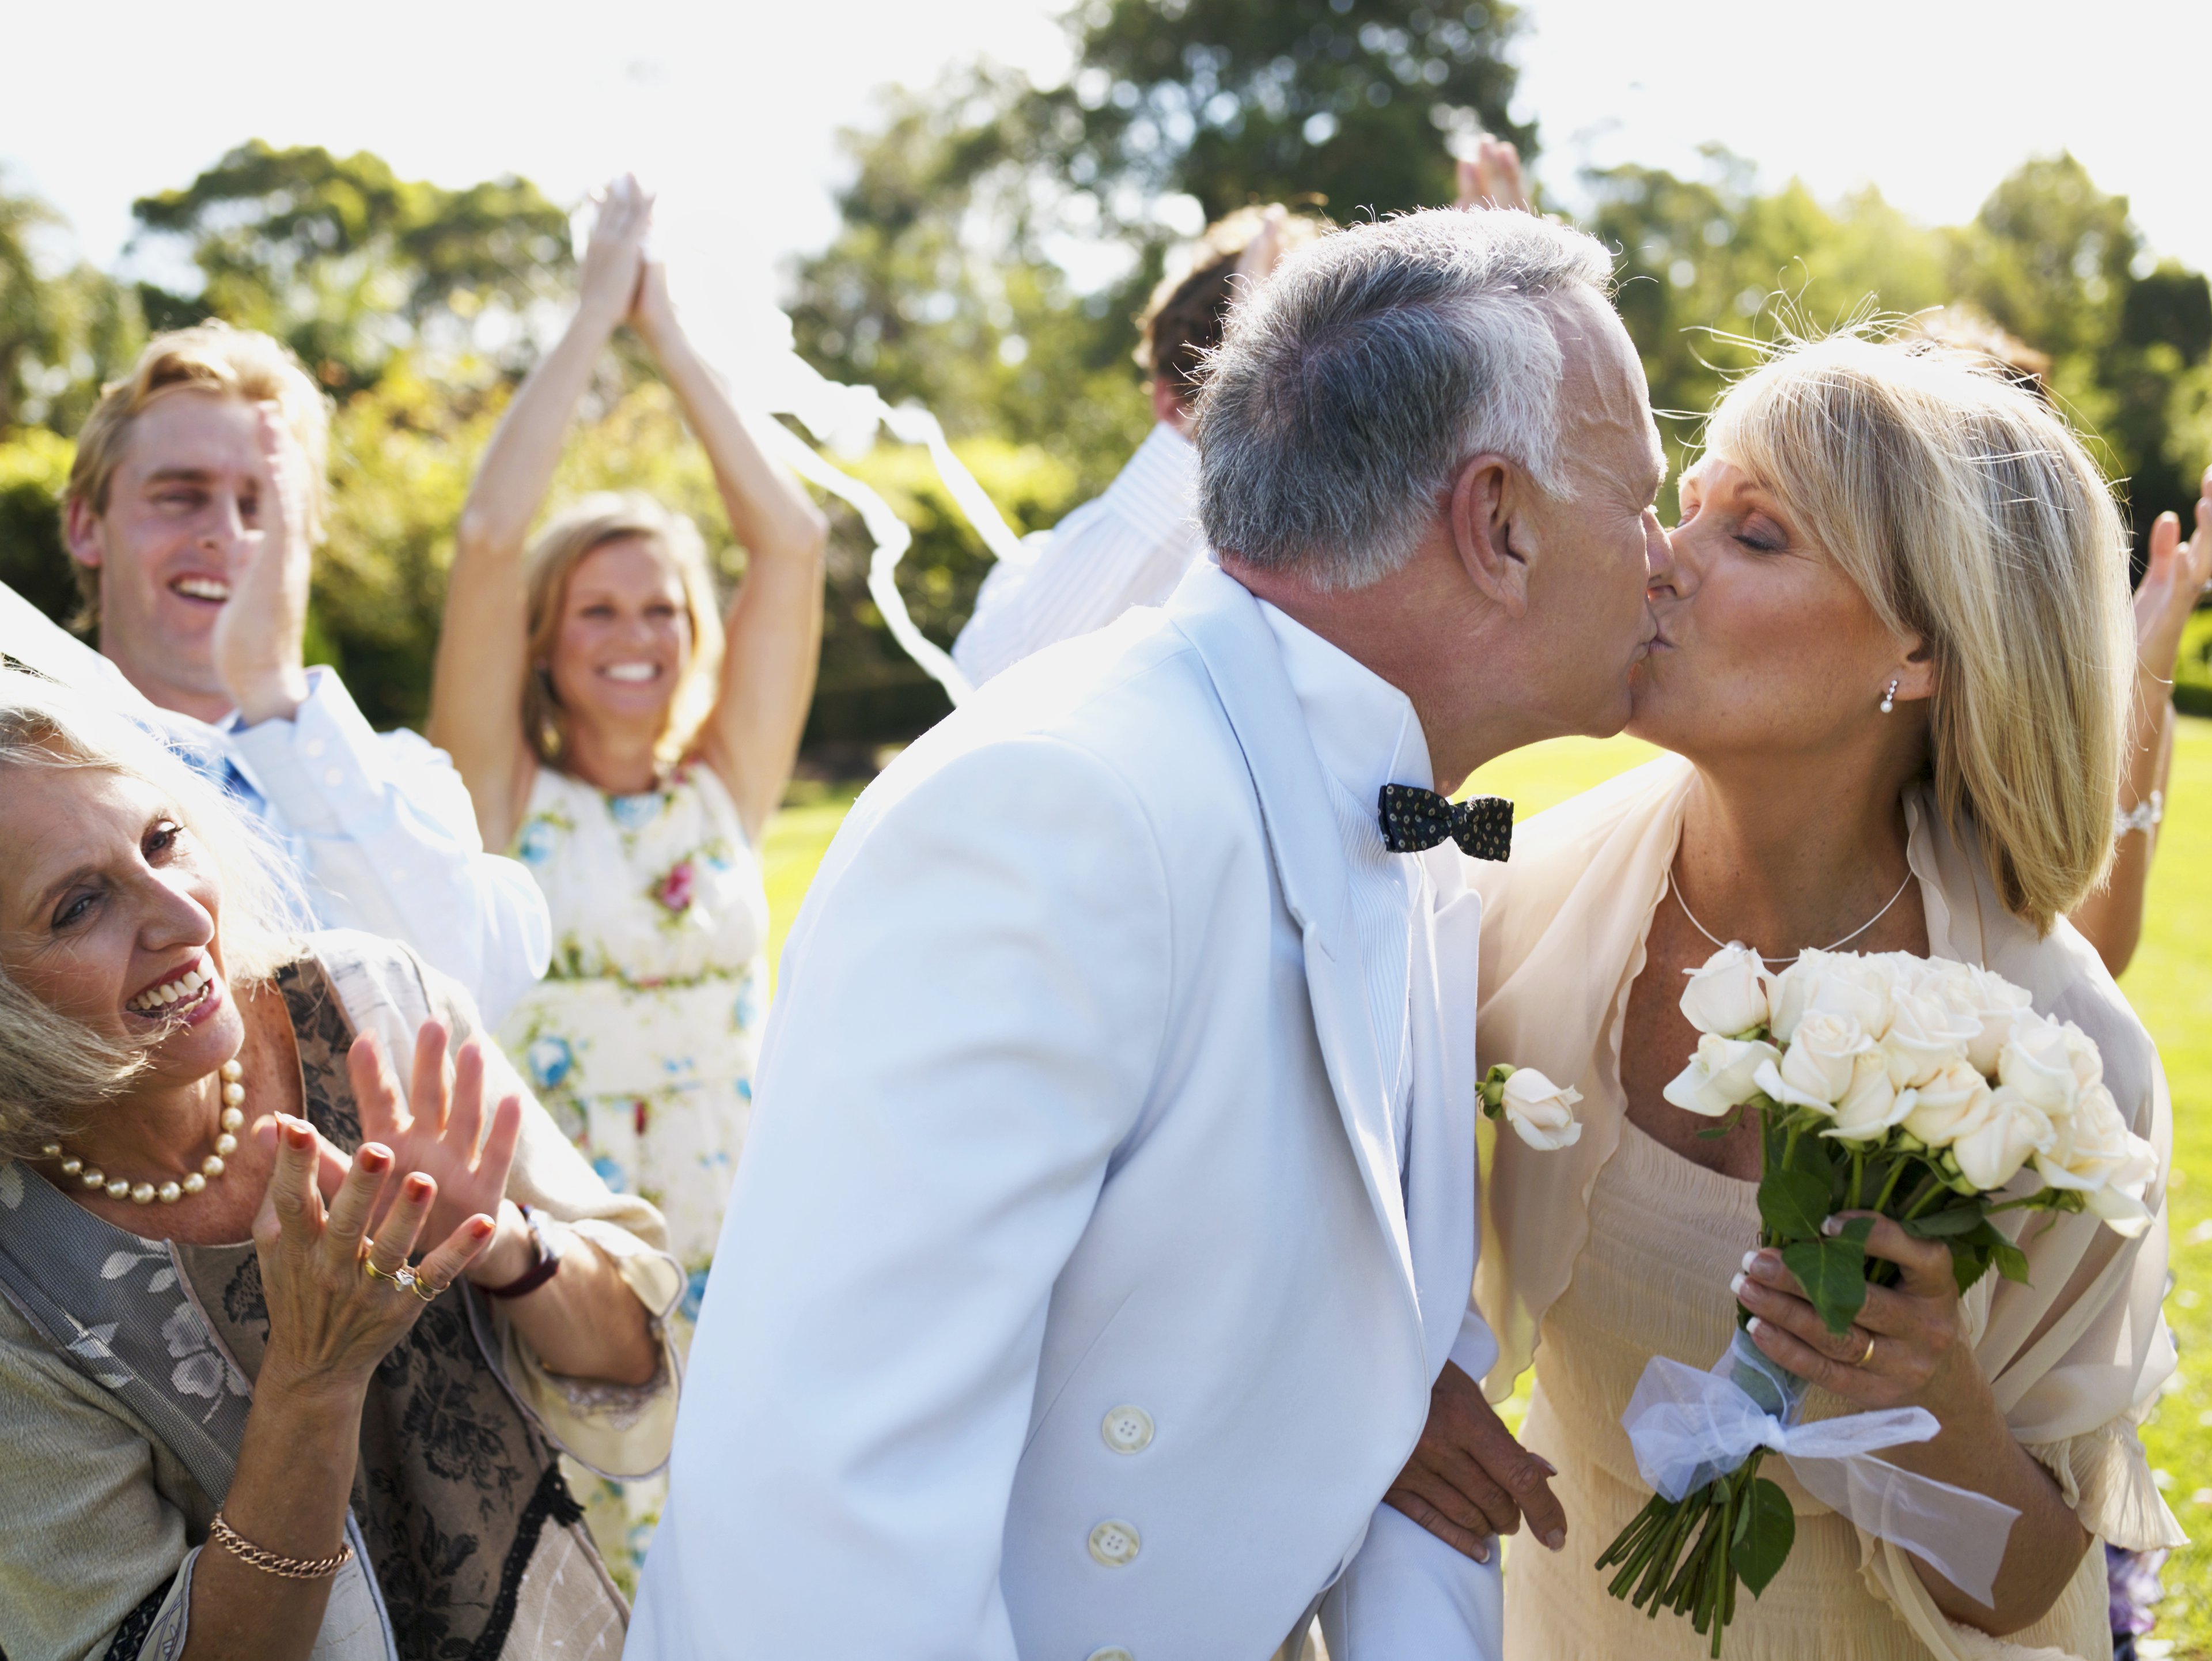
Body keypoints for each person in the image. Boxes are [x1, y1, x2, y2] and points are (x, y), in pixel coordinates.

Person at [628, 206, 1669, 1660]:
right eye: (1645, 498)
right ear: (1497, 521)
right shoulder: (1058, 805)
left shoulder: (1419, 817)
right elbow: (824, 1518)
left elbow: (1417, 1429)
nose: (1666, 556)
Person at [1380, 335, 2185, 1658]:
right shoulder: (1515, 904)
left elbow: (2031, 1583)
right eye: (1685, 504)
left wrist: (1939, 1400)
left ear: (1921, 649)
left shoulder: (2055, 1058)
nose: (1659, 555)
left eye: (1752, 534)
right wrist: (1390, 1392)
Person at [0, 667, 684, 1660]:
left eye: (162, 840)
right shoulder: (21, 1285)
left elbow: (635, 1364)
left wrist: (502, 1247)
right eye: (78, 905)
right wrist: (312, 1381)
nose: (185, 917)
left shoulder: (377, 1006)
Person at [429, 175, 828, 1577]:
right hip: (569, 1246)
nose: (634, 631)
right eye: (596, 606)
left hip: (752, 1225)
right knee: (592, 1571)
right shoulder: (495, 797)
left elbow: (792, 542)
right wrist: (593, 317)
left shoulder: (727, 782)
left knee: (753, 1565)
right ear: (544, 639)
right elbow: (485, 543)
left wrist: (680, 347)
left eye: (661, 604)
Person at [44, 321, 551, 1024]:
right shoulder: (25, 786)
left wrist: (275, 697)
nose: (224, 531)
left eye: (262, 507)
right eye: (180, 495)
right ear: (85, 527)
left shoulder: (402, 783)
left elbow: (459, 998)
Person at [947, 203, 1317, 686]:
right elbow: (995, 674)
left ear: (1162, 398)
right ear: (1174, 407)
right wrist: (1241, 383)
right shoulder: (1034, 569)